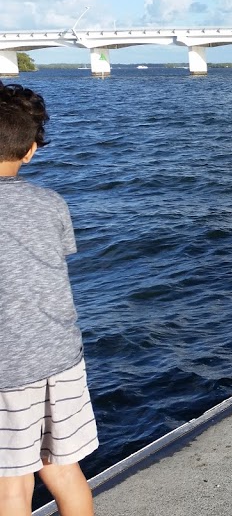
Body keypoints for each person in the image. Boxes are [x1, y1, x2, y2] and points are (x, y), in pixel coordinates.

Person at [0, 83, 99, 515]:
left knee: (11, 488)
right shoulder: (51, 203)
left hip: (7, 368)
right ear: (30, 150)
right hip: (61, 357)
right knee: (62, 470)